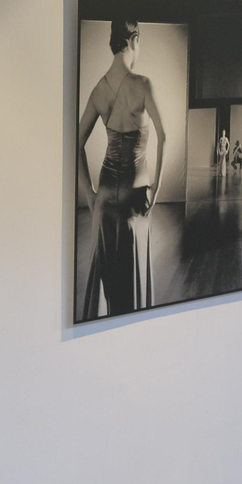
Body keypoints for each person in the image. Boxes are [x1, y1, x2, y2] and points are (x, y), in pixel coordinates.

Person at [77, 20, 167, 320]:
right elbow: (164, 136)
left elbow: (75, 144)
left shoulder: (98, 90)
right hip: (135, 196)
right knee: (131, 284)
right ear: (133, 39)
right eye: (138, 43)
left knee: (108, 283)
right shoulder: (143, 85)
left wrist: (90, 195)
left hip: (104, 195)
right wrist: (156, 187)